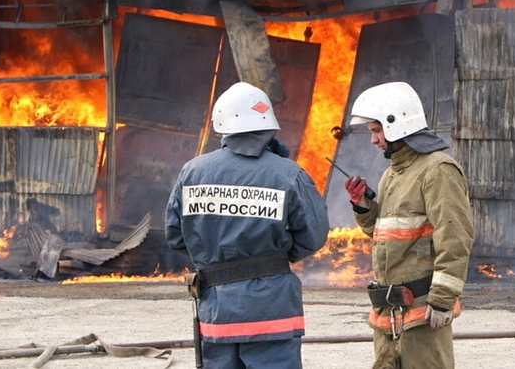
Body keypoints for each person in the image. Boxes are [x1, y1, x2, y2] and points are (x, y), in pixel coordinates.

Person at [165, 81, 330, 369]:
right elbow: (313, 236)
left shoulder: (191, 172)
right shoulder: (289, 174)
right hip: (273, 310)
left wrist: (212, 258)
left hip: (217, 312)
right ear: (268, 127)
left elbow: (175, 236)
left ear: (222, 124)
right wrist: (277, 256)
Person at [343, 81, 474, 369]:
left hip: (422, 314)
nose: (373, 140)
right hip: (387, 315)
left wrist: (442, 301)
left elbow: (455, 238)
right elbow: (385, 237)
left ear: (397, 125)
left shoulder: (438, 170)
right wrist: (363, 206)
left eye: (376, 131)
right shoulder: (392, 175)